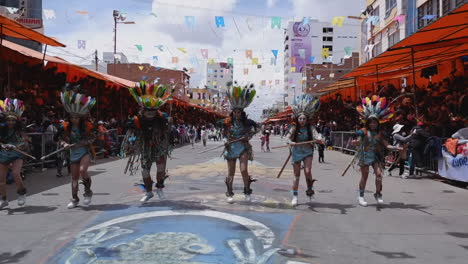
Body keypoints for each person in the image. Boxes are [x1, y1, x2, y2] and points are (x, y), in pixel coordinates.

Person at [123, 80, 172, 203]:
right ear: (143, 109)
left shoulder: (161, 117)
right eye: (147, 111)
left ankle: (160, 189)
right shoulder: (138, 119)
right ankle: (149, 192)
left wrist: (169, 122)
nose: (150, 114)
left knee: (160, 168)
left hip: (159, 146)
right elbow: (128, 125)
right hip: (146, 147)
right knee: (145, 171)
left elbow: (167, 127)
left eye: (152, 111)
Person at [57, 91, 97, 209]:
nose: (75, 119)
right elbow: (60, 139)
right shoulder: (65, 127)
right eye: (72, 117)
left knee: (83, 170)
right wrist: (64, 144)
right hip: (73, 153)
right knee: (74, 177)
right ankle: (74, 198)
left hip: (84, 151)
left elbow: (94, 136)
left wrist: (84, 142)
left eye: (77, 117)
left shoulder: (87, 126)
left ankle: (88, 192)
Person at [354, 96, 395, 207]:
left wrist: (398, 148)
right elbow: (358, 138)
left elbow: (387, 145)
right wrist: (356, 141)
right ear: (367, 123)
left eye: (375, 123)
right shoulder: (364, 131)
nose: (373, 124)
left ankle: (378, 194)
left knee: (378, 174)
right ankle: (361, 196)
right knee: (365, 176)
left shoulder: (379, 134)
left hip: (376, 156)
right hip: (365, 156)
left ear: (378, 123)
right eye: (371, 122)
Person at [223, 82, 257, 203]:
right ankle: (229, 192)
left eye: (239, 112)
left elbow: (257, 129)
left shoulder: (247, 122)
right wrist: (225, 142)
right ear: (233, 112)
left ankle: (247, 190)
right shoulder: (227, 122)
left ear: (241, 113)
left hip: (243, 147)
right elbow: (223, 135)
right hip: (231, 148)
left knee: (243, 170)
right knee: (231, 172)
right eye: (235, 112)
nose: (237, 114)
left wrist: (249, 136)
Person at [287, 95, 322, 206]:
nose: (302, 120)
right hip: (296, 152)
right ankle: (295, 196)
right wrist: (290, 142)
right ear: (297, 119)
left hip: (307, 151)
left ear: (307, 119)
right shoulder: (294, 128)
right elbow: (287, 137)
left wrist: (319, 139)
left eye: (304, 119)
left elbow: (317, 136)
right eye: (300, 118)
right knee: (296, 175)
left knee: (307, 171)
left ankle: (310, 190)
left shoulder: (310, 128)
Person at [0, 98, 28, 208]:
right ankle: (3, 199)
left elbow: (25, 142)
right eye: (8, 120)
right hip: (3, 154)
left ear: (17, 120)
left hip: (17, 154)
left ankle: (21, 193)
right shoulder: (2, 129)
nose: (10, 122)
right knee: (1, 179)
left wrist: (15, 146)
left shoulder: (20, 130)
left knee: (16, 174)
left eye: (13, 120)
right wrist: (3, 145)